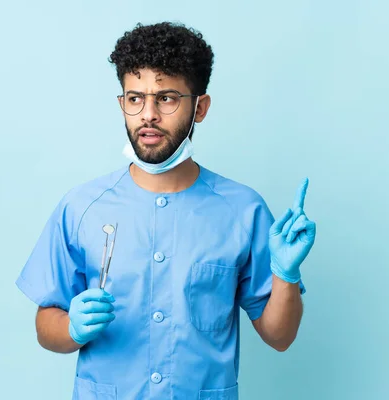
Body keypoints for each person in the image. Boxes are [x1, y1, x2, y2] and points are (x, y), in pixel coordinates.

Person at [16, 21, 316, 400]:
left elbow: (280, 336)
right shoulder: (81, 208)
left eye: (167, 97)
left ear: (200, 107)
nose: (148, 115)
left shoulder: (243, 210)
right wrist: (71, 328)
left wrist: (285, 274)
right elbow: (47, 327)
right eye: (135, 98)